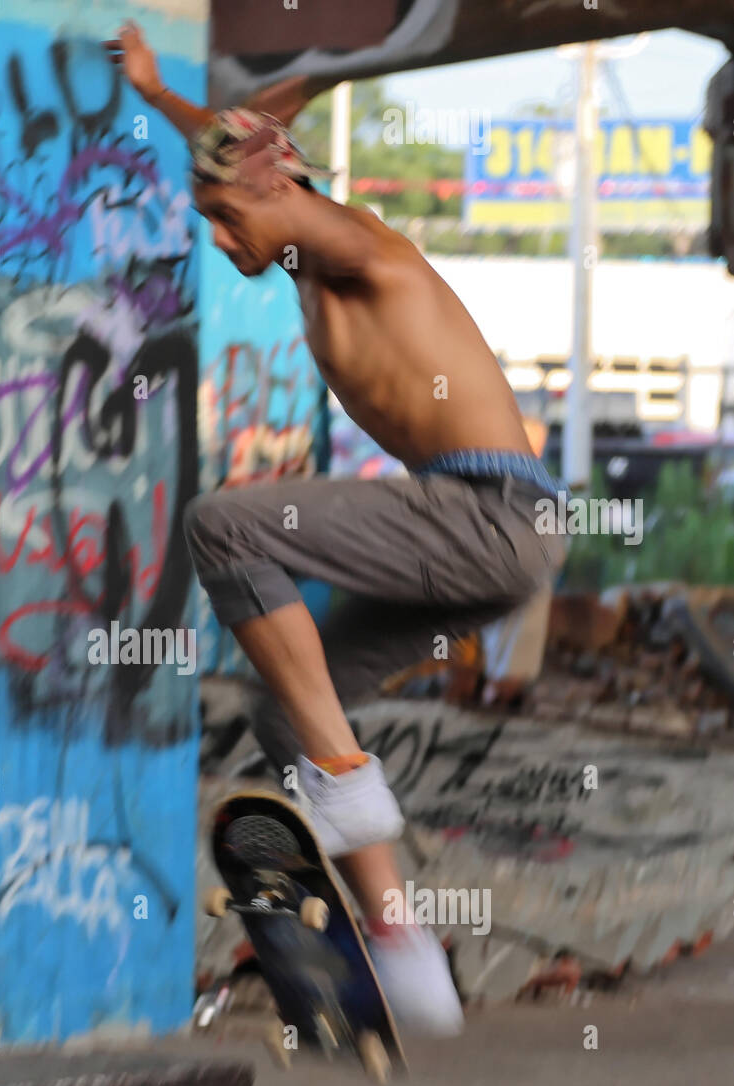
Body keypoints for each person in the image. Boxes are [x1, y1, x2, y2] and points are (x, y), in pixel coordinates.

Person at [105, 23, 564, 1035]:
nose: (222, 242)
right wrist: (157, 97)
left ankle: (348, 784)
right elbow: (234, 155)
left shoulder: (359, 252)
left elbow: (284, 192)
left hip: (489, 515)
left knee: (224, 526)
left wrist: (283, 105)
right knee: (286, 721)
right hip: (484, 550)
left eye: (226, 220)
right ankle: (405, 956)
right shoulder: (299, 248)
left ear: (279, 188)